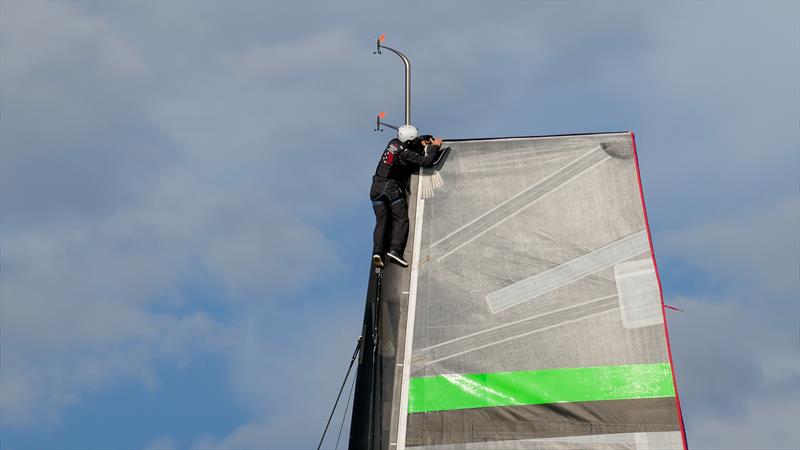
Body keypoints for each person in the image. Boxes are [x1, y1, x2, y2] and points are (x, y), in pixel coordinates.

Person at [370, 125, 445, 268]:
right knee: (401, 218)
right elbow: (426, 162)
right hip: (390, 187)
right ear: (409, 140)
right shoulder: (405, 153)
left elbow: (406, 146)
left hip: (375, 188)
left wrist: (422, 139)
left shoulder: (393, 142)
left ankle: (377, 252)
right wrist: (434, 147)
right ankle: (395, 251)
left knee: (381, 221)